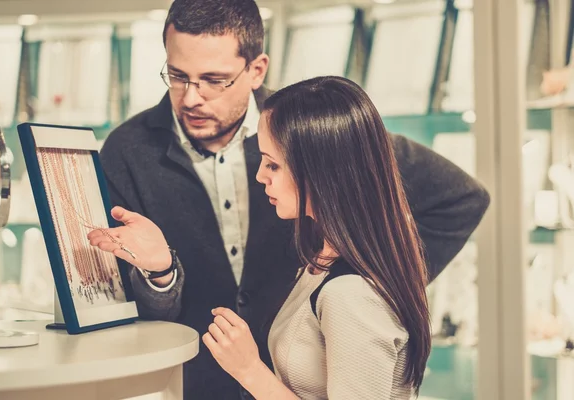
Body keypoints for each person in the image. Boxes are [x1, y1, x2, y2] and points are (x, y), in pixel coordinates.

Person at [94, 0, 489, 398]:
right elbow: (125, 310)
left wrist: (382, 277)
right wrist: (160, 273)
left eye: (215, 79)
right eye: (178, 76)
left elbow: (459, 200)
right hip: (200, 384)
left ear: (256, 70)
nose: (192, 98)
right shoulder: (127, 150)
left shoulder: (309, 126)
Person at [201, 76, 431, 399]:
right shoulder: (321, 261)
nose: (260, 176)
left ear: (320, 172)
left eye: (273, 165)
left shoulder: (351, 295)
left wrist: (249, 370)